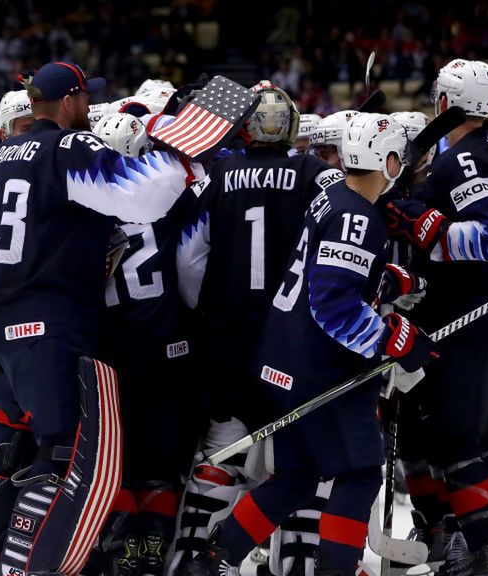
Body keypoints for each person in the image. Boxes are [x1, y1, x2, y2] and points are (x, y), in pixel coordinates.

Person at [0, 61, 203, 576]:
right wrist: (184, 158)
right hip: (48, 331)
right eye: (86, 98)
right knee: (67, 459)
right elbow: (140, 196)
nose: (89, 107)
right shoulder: (67, 148)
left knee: (15, 451)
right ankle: (32, 566)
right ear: (71, 101)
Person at [181, 113, 436, 576]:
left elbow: (325, 275)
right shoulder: (357, 216)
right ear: (386, 159)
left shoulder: (332, 198)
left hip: (280, 361)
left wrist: (383, 280)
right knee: (359, 472)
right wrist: (395, 339)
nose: (404, 163)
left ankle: (213, 557)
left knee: (297, 476)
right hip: (319, 372)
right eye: (399, 155)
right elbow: (334, 308)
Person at [171, 81, 343, 573]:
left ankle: (194, 560)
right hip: (295, 347)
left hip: (227, 343)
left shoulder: (214, 176)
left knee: (222, 451)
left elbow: (187, 261)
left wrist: (208, 311)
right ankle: (298, 562)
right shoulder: (317, 175)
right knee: (302, 459)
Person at [382, 59, 488, 576]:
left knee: (459, 434)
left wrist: (426, 226)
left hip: (478, 317)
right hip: (461, 314)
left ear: (446, 102)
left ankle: (484, 548)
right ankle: (440, 531)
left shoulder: (469, 158)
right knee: (425, 432)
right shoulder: (461, 154)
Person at [92, 112, 200, 576]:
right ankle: (153, 548)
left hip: (113, 351)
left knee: (119, 463)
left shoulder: (88, 205)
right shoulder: (170, 197)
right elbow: (192, 264)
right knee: (162, 463)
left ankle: (122, 548)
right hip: (168, 344)